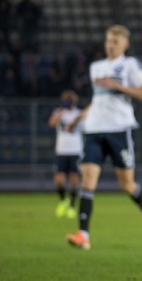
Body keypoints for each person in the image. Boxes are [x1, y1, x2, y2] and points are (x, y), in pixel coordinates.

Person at [64, 24, 142, 250]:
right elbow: (99, 100)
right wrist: (79, 118)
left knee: (127, 185)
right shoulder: (96, 67)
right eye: (108, 41)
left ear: (125, 45)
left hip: (119, 129)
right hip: (94, 129)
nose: (110, 45)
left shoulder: (131, 64)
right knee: (88, 181)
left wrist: (118, 86)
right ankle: (83, 235)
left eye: (115, 42)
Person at [48, 90, 83, 219]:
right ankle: (64, 200)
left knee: (74, 179)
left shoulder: (79, 114)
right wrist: (60, 113)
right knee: (58, 179)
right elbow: (51, 124)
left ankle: (72, 205)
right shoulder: (59, 112)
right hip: (61, 151)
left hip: (75, 150)